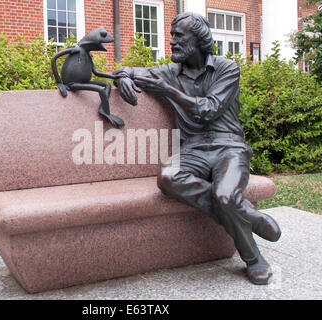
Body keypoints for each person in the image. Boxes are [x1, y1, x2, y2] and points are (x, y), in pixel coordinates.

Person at [113, 12, 281, 285]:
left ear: (199, 39)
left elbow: (209, 109)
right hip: (193, 149)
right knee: (168, 177)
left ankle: (253, 258)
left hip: (229, 146)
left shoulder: (227, 68)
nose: (172, 42)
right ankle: (249, 214)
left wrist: (168, 91)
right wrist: (123, 78)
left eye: (179, 36)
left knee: (225, 196)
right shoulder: (168, 72)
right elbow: (124, 70)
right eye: (171, 36)